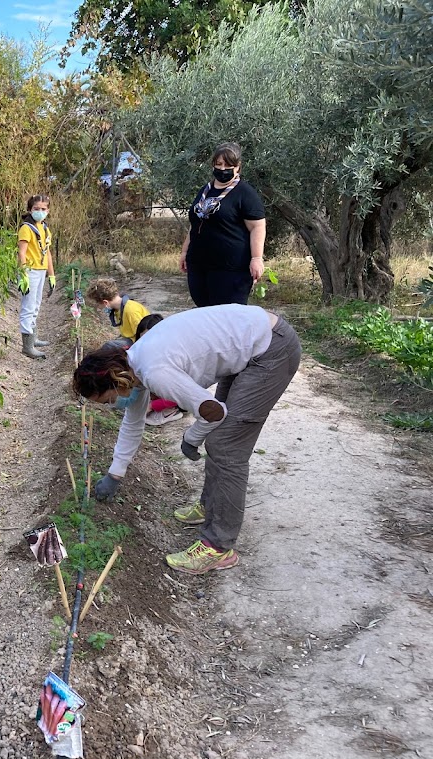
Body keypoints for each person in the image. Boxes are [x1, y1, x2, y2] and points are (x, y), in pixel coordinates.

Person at [72, 304, 301, 574]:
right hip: (252, 342)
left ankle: (218, 546)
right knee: (218, 438)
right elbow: (133, 424)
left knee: (225, 446)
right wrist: (115, 474)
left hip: (271, 349)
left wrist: (190, 438)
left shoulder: (155, 372)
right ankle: (211, 507)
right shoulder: (134, 364)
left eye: (108, 400)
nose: (112, 405)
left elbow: (213, 413)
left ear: (115, 379)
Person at [179, 142, 267, 307]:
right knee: (205, 312)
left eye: (228, 165)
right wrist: (185, 252)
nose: (222, 169)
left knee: (228, 316)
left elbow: (258, 227)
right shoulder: (205, 190)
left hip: (231, 269)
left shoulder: (245, 193)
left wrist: (256, 258)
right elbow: (195, 222)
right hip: (199, 265)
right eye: (218, 164)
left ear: (238, 167)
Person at [17, 195, 55, 359]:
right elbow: (22, 252)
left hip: (41, 270)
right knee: (28, 306)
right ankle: (27, 346)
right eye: (36, 209)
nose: (40, 212)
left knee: (36, 305)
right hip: (30, 271)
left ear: (48, 210)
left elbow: (47, 253)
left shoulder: (44, 228)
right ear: (30, 210)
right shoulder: (26, 228)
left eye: (43, 209)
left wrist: (51, 275)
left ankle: (33, 338)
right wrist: (23, 274)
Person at [132, 314, 184, 427]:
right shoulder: (137, 355)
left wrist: (151, 406)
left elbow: (179, 394)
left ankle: (170, 411)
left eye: (151, 339)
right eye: (142, 339)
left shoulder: (174, 359)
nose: (146, 344)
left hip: (174, 397)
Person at [86, 278, 150, 349]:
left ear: (105, 302)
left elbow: (145, 336)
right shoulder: (119, 309)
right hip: (132, 338)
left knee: (109, 346)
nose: (99, 308)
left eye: (98, 305)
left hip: (141, 342)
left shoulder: (130, 310)